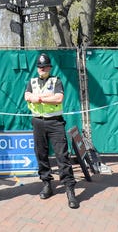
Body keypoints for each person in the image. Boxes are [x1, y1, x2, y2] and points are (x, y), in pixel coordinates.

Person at [24, 53, 79, 209]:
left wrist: (39, 98)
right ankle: (47, 184)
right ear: (37, 68)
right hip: (37, 122)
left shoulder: (56, 81)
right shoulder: (32, 81)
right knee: (41, 154)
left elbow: (58, 98)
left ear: (49, 67)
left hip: (55, 122)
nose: (42, 69)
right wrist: (45, 96)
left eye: (45, 66)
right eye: (40, 67)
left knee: (62, 155)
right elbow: (27, 96)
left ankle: (70, 190)